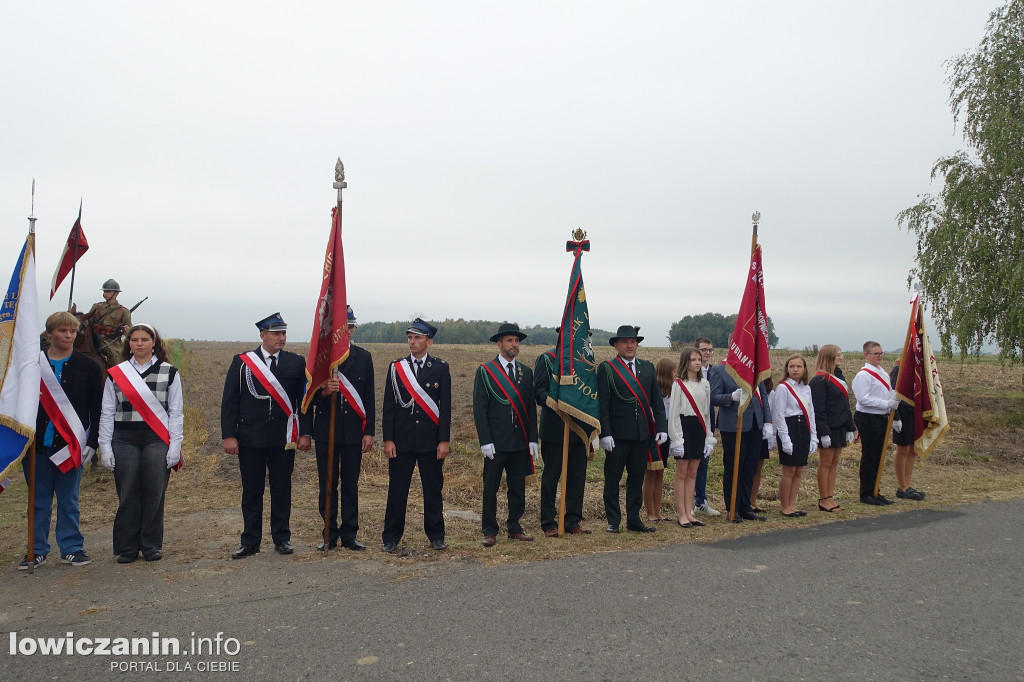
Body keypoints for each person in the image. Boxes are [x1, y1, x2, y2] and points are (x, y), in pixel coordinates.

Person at [221, 313, 311, 559]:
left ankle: (282, 538)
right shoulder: (242, 363)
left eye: (283, 333)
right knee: (252, 491)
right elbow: (230, 401)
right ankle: (250, 541)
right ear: (263, 335)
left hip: (283, 438)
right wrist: (229, 435)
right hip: (250, 437)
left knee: (282, 489)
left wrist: (305, 432)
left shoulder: (296, 363)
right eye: (276, 334)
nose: (281, 338)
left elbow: (304, 402)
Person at [20, 312, 104, 569]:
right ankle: (36, 550)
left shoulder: (88, 367)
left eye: (72, 331)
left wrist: (93, 442)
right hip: (36, 446)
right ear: (48, 334)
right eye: (62, 331)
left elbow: (96, 407)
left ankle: (71, 547)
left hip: (71, 446)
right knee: (38, 500)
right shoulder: (32, 365)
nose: (68, 336)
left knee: (69, 500)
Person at [99, 323, 183, 563]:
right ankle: (127, 547)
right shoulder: (117, 373)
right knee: (128, 492)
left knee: (154, 492)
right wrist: (104, 446)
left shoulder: (169, 372)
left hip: (156, 438)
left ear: (153, 342)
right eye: (134, 340)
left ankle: (150, 545)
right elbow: (107, 411)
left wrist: (175, 445)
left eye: (144, 339)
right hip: (124, 438)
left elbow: (176, 412)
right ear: (129, 344)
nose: (139, 344)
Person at [381, 318, 452, 552]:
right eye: (410, 338)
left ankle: (436, 535)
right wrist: (388, 439)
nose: (412, 342)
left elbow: (446, 407)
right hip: (401, 442)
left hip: (430, 442)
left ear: (428, 341)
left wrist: (443, 440)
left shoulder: (441, 368)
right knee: (397, 492)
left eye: (418, 338)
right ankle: (391, 537)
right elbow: (389, 406)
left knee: (433, 490)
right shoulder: (396, 367)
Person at [308, 305, 374, 551]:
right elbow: (309, 399)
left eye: (349, 328)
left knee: (350, 483)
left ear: (353, 330)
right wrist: (325, 392)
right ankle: (329, 533)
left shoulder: (364, 358)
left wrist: (369, 432)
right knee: (327, 482)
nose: (345, 332)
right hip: (326, 432)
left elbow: (369, 399)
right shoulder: (322, 360)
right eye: (341, 329)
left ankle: (349, 534)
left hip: (353, 433)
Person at [597, 325, 668, 534]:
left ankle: (634, 519)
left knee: (636, 478)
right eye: (625, 342)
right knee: (613, 478)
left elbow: (656, 401)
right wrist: (605, 433)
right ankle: (613, 520)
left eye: (633, 341)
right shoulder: (607, 368)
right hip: (617, 435)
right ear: (617, 345)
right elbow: (603, 404)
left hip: (641, 433)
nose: (630, 345)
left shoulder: (647, 368)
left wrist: (661, 427)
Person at [474, 323, 538, 547]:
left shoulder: (526, 372)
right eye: (510, 340)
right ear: (499, 343)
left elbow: (530, 408)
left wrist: (532, 439)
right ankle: (490, 530)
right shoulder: (486, 371)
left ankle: (514, 527)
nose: (514, 344)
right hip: (495, 442)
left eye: (517, 340)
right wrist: (485, 440)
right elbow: (479, 409)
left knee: (517, 488)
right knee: (490, 487)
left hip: (519, 441)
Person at [535, 329, 592, 537]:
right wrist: (559, 403)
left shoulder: (585, 362)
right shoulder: (547, 359)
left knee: (577, 477)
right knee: (552, 476)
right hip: (554, 429)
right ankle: (548, 522)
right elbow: (539, 392)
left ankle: (572, 521)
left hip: (578, 429)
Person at [709, 351, 773, 522]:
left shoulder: (753, 368)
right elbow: (713, 397)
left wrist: (767, 421)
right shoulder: (719, 370)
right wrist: (731, 396)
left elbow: (763, 396)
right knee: (734, 467)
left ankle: (746, 506)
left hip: (755, 423)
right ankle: (733, 508)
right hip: (732, 425)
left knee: (749, 468)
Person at [667, 348, 716, 528]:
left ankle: (690, 512)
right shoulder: (678, 384)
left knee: (693, 472)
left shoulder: (705, 384)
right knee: (681, 473)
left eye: (699, 359)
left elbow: (707, 413)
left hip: (699, 428)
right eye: (693, 359)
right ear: (685, 362)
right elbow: (673, 414)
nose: (697, 362)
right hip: (684, 427)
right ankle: (681, 514)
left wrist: (709, 436)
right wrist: (677, 439)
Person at [809, 344, 857, 512]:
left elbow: (845, 404)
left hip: (840, 427)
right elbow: (818, 409)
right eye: (838, 355)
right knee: (826, 463)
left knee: (834, 463)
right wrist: (823, 433)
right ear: (828, 357)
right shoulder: (819, 380)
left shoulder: (840, 377)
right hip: (828, 429)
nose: (841, 357)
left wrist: (850, 427)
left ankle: (830, 496)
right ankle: (824, 499)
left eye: (841, 354)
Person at [769, 354, 817, 517]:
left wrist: (813, 436)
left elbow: (811, 413)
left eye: (799, 366)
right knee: (789, 470)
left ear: (804, 369)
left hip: (803, 428)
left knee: (799, 470)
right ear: (787, 369)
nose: (795, 369)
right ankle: (785, 506)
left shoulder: (807, 388)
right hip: (789, 428)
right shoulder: (783, 388)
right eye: (792, 366)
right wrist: (785, 439)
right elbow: (779, 415)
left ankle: (792, 504)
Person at [852, 341, 899, 506]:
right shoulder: (864, 375)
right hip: (868, 418)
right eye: (876, 353)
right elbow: (863, 399)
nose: (879, 356)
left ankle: (875, 490)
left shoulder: (883, 373)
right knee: (869, 456)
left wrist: (894, 398)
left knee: (879, 456)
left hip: (881, 418)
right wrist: (886, 404)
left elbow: (888, 391)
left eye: (881, 353)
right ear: (866, 355)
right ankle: (866, 493)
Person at [693, 337, 721, 516]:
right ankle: (688, 502)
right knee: (689, 465)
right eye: (704, 350)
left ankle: (701, 501)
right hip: (691, 422)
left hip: (708, 421)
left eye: (710, 350)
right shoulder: (690, 372)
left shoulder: (715, 372)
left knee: (704, 462)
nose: (707, 353)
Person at [890, 360, 924, 500]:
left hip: (915, 411)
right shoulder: (899, 367)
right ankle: (902, 486)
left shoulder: (919, 368)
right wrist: (896, 417)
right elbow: (893, 393)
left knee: (912, 449)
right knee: (903, 449)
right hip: (902, 411)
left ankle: (908, 485)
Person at [647, 358, 677, 522]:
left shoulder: (673, 390)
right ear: (666, 373)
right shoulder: (654, 391)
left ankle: (658, 512)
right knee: (651, 474)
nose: (675, 374)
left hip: (666, 431)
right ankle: (650, 512)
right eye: (673, 371)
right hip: (654, 432)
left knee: (660, 474)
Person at [82, 279, 132, 368]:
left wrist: (127, 331)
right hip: (95, 340)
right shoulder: (96, 307)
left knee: (117, 362)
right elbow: (88, 323)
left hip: (112, 343)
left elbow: (129, 333)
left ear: (116, 293)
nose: (105, 293)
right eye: (104, 291)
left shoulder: (123, 311)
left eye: (108, 291)